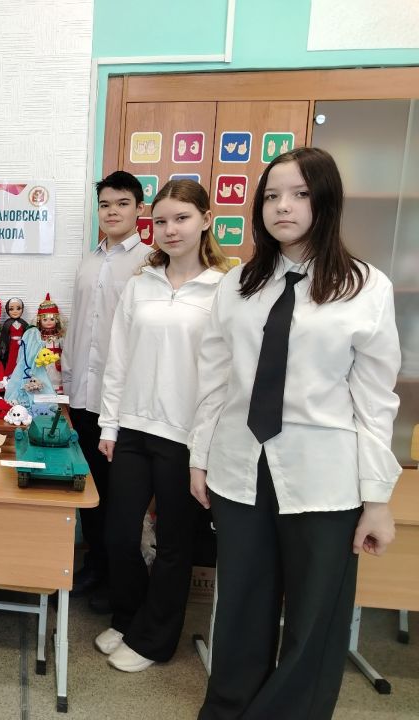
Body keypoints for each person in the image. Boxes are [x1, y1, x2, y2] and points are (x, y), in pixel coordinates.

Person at [189, 147, 401, 719]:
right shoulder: (238, 284)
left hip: (325, 475)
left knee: (314, 619)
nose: (283, 206)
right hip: (240, 466)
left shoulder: (366, 287)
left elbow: (375, 400)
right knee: (241, 605)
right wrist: (199, 456)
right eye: (272, 195)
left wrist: (378, 499)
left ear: (325, 201)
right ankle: (228, 708)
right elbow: (215, 378)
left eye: (300, 194)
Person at [94, 180, 231, 672]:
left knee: (174, 544)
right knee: (119, 534)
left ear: (206, 220)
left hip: (185, 436)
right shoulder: (141, 283)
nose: (170, 230)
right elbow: (118, 359)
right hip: (132, 428)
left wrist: (205, 446)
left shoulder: (225, 288)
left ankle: (155, 641)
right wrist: (109, 426)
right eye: (162, 221)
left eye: (182, 218)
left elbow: (223, 375)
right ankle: (129, 618)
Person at [62, 171, 149, 612]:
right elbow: (77, 328)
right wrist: (66, 386)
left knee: (121, 496)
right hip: (84, 395)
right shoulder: (89, 262)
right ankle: (95, 565)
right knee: (89, 486)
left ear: (139, 209)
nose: (112, 212)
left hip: (123, 401)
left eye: (122, 203)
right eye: (105, 205)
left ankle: (121, 578)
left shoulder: (150, 262)